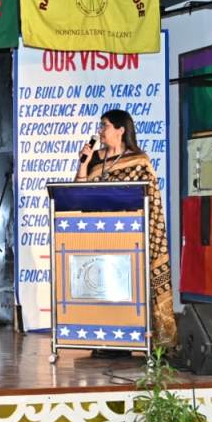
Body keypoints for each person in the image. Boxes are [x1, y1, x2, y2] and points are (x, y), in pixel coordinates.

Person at [75, 109, 176, 349]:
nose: (100, 131)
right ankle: (102, 340)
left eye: (105, 126)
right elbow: (79, 192)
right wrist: (84, 164)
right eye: (100, 126)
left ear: (120, 130)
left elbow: (150, 199)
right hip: (98, 237)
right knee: (98, 285)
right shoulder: (95, 158)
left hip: (129, 238)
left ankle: (128, 339)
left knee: (123, 287)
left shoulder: (139, 160)